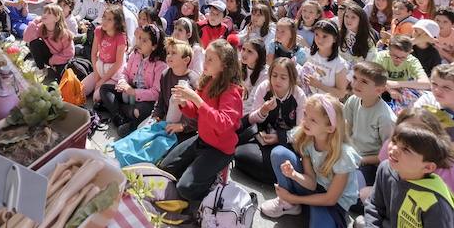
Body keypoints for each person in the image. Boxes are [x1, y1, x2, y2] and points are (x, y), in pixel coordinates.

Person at [262, 93, 361, 228]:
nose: (305, 121)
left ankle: (298, 204)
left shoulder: (343, 155)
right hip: (316, 189)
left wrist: (294, 196)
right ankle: (292, 206)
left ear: (330, 128)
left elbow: (330, 199)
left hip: (333, 204)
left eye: (313, 120)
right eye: (305, 115)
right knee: (279, 153)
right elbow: (311, 182)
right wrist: (293, 174)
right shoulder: (307, 138)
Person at [158, 39, 245, 212]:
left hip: (219, 150)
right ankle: (201, 171)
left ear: (224, 66)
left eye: (211, 59)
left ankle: (216, 181)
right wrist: (184, 103)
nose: (206, 62)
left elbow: (223, 123)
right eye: (206, 58)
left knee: (185, 189)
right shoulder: (207, 81)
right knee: (165, 169)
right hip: (202, 139)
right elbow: (197, 114)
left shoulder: (231, 91)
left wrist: (196, 100)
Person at [234, 56, 304, 183]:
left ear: (291, 79)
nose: (277, 80)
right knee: (240, 154)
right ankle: (274, 175)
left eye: (283, 77)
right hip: (263, 138)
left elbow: (300, 130)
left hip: (287, 143)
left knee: (279, 158)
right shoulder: (264, 88)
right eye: (274, 75)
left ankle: (275, 174)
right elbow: (252, 119)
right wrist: (263, 111)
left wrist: (280, 137)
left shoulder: (298, 95)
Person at [103, 25, 167, 137]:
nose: (140, 42)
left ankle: (119, 113)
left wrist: (133, 92)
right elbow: (125, 72)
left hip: (144, 100)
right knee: (104, 89)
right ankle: (120, 118)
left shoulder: (160, 65)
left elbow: (155, 93)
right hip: (129, 91)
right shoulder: (135, 54)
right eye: (139, 38)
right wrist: (122, 82)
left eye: (145, 40)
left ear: (154, 46)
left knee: (139, 112)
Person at [345, 61, 397, 186]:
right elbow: (346, 129)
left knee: (351, 183)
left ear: (379, 90)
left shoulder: (385, 117)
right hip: (352, 153)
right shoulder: (353, 100)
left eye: (364, 81)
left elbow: (387, 155)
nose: (356, 83)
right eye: (355, 78)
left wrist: (361, 160)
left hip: (370, 163)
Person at [82, 6, 127, 101]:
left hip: (113, 72)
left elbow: (118, 63)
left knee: (96, 98)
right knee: (81, 90)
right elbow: (94, 54)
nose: (105, 21)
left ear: (117, 23)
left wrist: (102, 81)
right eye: (104, 17)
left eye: (109, 19)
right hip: (100, 67)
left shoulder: (121, 37)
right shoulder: (98, 30)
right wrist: (97, 74)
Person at [23, 2, 75, 81]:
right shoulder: (41, 28)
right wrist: (34, 22)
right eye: (44, 12)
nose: (44, 15)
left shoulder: (64, 33)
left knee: (62, 76)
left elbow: (69, 53)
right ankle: (41, 68)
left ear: (57, 18)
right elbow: (27, 38)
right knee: (34, 43)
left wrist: (53, 60)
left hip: (62, 59)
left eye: (49, 13)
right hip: (50, 56)